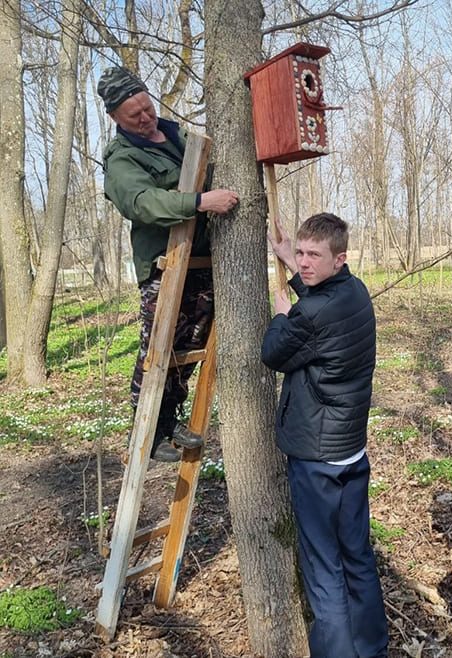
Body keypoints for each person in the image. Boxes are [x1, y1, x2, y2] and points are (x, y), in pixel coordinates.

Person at [261, 213, 389, 658]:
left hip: (317, 458)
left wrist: (282, 316)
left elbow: (274, 352)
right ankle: (372, 649)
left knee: (323, 568)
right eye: (299, 252)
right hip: (350, 450)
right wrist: (293, 268)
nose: (304, 262)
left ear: (340, 258)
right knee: (357, 554)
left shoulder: (309, 314)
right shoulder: (356, 292)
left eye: (314, 255)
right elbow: (321, 307)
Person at [97, 66, 239, 461]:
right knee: (159, 346)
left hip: (201, 260)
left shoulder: (178, 135)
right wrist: (199, 202)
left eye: (147, 107)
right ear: (114, 116)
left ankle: (167, 416)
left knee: (191, 341)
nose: (146, 117)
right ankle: (146, 428)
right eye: (135, 115)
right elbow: (141, 203)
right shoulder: (122, 159)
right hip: (166, 264)